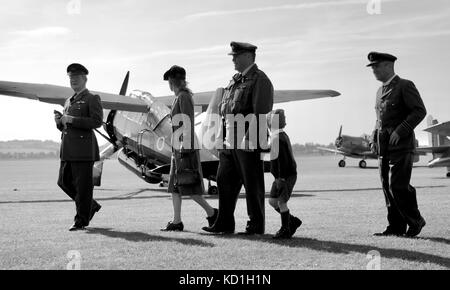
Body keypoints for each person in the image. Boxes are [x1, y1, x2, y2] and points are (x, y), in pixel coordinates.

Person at [203, 41, 274, 235]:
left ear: (248, 56)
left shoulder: (260, 80)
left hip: (247, 143)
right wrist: (221, 139)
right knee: (223, 181)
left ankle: (256, 225)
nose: (233, 59)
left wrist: (250, 140)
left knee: (252, 185)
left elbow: (261, 113)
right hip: (229, 143)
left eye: (236, 55)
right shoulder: (234, 81)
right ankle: (224, 223)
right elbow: (225, 112)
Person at [367, 52, 427, 237]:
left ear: (388, 66)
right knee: (387, 187)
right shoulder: (380, 91)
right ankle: (396, 227)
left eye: (377, 66)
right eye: (373, 67)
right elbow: (379, 120)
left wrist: (401, 130)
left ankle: (415, 221)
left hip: (401, 146)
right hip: (384, 148)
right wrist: (373, 139)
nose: (374, 70)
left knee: (398, 186)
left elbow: (419, 111)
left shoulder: (404, 85)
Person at [162, 65, 218, 231]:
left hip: (184, 147)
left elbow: (187, 122)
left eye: (170, 82)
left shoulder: (183, 97)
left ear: (173, 82)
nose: (169, 85)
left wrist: (182, 146)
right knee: (174, 186)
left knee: (190, 185)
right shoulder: (180, 96)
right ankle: (177, 221)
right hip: (178, 147)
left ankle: (212, 213)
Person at [55, 63, 103, 231]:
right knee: (63, 182)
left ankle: (81, 220)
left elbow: (97, 122)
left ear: (85, 79)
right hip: (68, 150)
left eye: (76, 78)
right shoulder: (68, 101)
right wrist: (60, 122)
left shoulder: (92, 98)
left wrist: (72, 120)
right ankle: (90, 206)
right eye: (71, 78)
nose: (73, 80)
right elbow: (66, 125)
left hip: (83, 150)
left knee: (83, 187)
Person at [267, 109, 302, 239]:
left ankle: (285, 229)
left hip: (284, 176)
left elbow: (281, 160)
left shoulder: (277, 137)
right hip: (280, 176)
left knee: (281, 202)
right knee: (272, 201)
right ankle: (292, 221)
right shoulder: (279, 136)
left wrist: (280, 178)